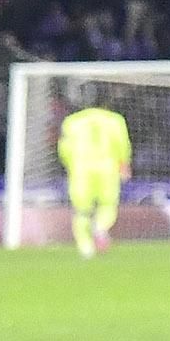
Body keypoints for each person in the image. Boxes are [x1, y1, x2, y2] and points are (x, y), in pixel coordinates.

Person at [57, 93, 131, 258]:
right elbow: (122, 143)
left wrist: (69, 165)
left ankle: (85, 247)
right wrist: (124, 164)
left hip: (81, 169)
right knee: (108, 204)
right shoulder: (115, 120)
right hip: (107, 168)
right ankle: (100, 227)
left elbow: (64, 147)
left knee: (82, 210)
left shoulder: (72, 121)